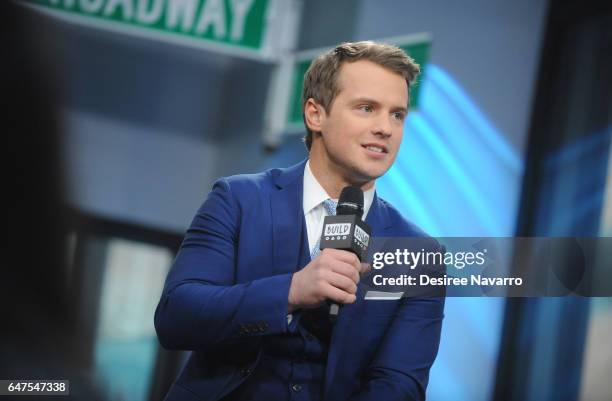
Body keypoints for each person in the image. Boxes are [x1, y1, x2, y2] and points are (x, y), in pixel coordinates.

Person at [155, 41, 445, 401]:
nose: (385, 128)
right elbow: (176, 318)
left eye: (397, 114)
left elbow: (398, 384)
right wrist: (290, 291)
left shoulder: (417, 253)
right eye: (367, 108)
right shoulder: (239, 199)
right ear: (315, 114)